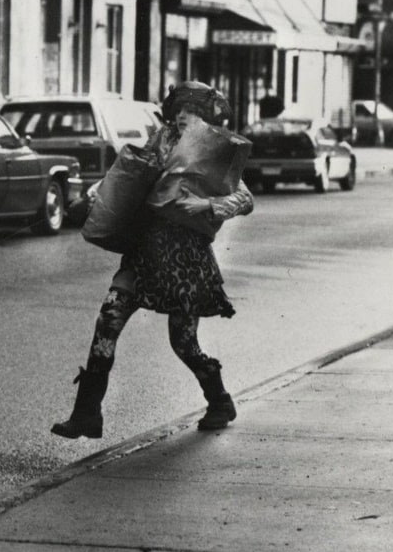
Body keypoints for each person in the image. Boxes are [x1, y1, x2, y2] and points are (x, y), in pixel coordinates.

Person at [52, 81, 254, 438]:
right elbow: (136, 173)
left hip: (185, 261)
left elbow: (244, 198)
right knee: (108, 321)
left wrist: (206, 205)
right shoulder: (161, 140)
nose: (182, 116)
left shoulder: (221, 149)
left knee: (184, 343)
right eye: (177, 110)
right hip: (144, 251)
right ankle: (87, 414)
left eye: (191, 111)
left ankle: (220, 400)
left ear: (206, 116)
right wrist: (103, 187)